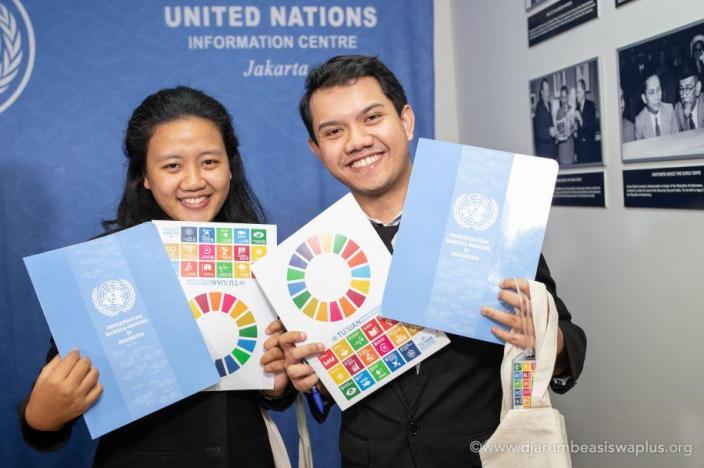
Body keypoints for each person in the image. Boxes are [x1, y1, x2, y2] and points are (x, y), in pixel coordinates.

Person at [279, 55, 587, 467]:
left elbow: (568, 338)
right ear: (318, 151)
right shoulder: (314, 258)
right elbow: (324, 389)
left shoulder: (486, 216)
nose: (357, 141)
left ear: (406, 121)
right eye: (334, 131)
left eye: (372, 118)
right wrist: (311, 379)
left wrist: (546, 338)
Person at [18, 86, 295, 467]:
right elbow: (50, 412)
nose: (194, 181)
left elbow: (278, 388)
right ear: (145, 176)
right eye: (172, 166)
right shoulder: (102, 266)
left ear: (230, 167)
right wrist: (41, 417)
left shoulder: (261, 260)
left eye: (209, 162)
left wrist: (277, 387)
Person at [634, 73, 679, 140]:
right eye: (651, 92)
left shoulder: (669, 111)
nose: (657, 97)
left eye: (658, 90)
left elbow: (676, 140)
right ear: (644, 98)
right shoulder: (639, 122)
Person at [674, 59, 704, 131]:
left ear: (697, 88)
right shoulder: (678, 108)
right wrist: (685, 118)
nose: (684, 95)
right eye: (681, 89)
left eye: (688, 88)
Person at [573, 79, 597, 163]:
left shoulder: (591, 106)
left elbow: (592, 126)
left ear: (583, 92)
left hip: (589, 150)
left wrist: (580, 119)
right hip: (579, 151)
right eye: (576, 93)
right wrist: (575, 152)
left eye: (578, 92)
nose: (577, 95)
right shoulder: (576, 107)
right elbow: (576, 134)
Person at [533, 78, 558, 160]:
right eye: (546, 91)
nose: (548, 93)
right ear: (542, 92)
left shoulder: (550, 104)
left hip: (552, 148)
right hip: (544, 151)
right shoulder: (538, 108)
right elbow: (538, 132)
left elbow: (552, 122)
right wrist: (549, 131)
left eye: (548, 90)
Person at [555, 85, 576, 165]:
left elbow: (576, 128)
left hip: (571, 148)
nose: (563, 100)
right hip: (562, 149)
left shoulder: (572, 109)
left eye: (565, 97)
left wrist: (573, 130)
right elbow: (558, 129)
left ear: (567, 96)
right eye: (562, 97)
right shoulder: (558, 112)